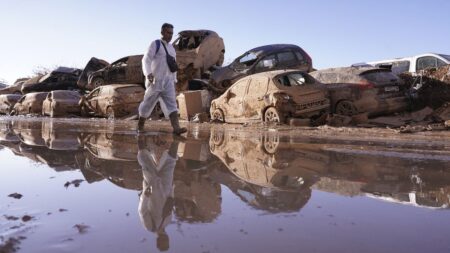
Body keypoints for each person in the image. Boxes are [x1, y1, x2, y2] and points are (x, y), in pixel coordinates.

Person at [137, 23, 187, 135]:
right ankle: (140, 125)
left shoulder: (172, 49)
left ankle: (176, 128)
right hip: (155, 81)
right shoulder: (156, 44)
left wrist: (174, 80)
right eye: (168, 33)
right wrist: (148, 73)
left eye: (172, 33)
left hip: (168, 82)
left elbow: (173, 65)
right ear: (162, 32)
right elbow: (146, 60)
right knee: (147, 104)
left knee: (172, 104)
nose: (170, 35)